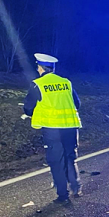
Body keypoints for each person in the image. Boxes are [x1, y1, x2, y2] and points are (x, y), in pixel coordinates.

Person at [23, 53, 82, 203]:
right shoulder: (66, 82)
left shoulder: (38, 84)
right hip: (70, 126)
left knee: (56, 161)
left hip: (52, 129)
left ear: (41, 68)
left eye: (38, 67)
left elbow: (28, 108)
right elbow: (77, 104)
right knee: (70, 157)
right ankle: (76, 187)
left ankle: (63, 194)